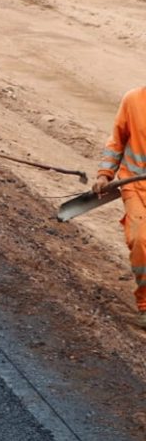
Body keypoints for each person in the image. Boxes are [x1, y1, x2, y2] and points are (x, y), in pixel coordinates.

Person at [92, 86, 146, 327]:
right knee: (140, 240)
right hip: (134, 185)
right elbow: (116, 141)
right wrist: (105, 174)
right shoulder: (133, 99)